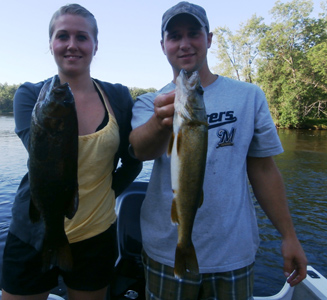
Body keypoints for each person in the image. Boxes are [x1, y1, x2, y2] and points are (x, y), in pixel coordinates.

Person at [129, 2, 308, 299]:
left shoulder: (249, 97)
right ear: (163, 45)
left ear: (209, 39)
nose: (185, 44)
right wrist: (160, 122)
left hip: (232, 251)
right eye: (175, 36)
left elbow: (263, 170)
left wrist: (289, 236)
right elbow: (140, 150)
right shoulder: (151, 102)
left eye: (193, 33)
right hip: (166, 248)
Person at [1, 4, 142, 300]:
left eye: (82, 37)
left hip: (96, 234)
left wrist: (107, 192)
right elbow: (44, 157)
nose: (72, 45)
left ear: (95, 45)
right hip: (33, 230)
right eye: (62, 36)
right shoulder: (30, 95)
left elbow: (133, 162)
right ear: (51, 43)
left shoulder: (117, 96)